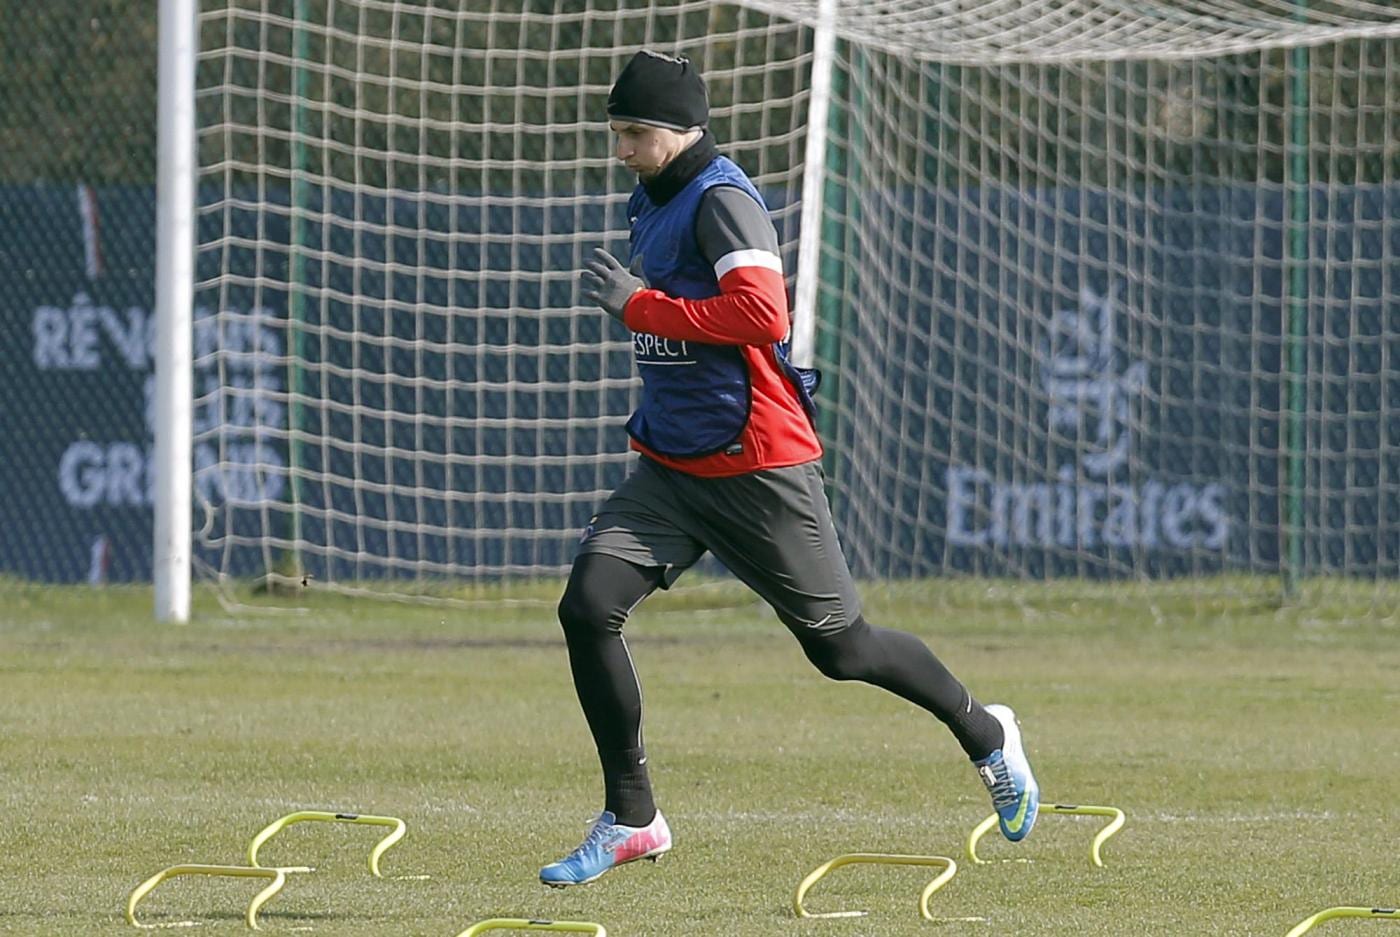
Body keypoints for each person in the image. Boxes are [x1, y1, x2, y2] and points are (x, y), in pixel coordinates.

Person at [539, 50, 1039, 888]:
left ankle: (987, 734)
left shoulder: (722, 198)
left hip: (758, 463)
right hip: (670, 466)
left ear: (683, 130)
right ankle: (633, 815)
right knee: (587, 606)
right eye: (616, 132)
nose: (620, 149)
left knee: (843, 650)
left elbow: (761, 312)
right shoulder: (649, 195)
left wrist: (641, 306)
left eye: (634, 133)